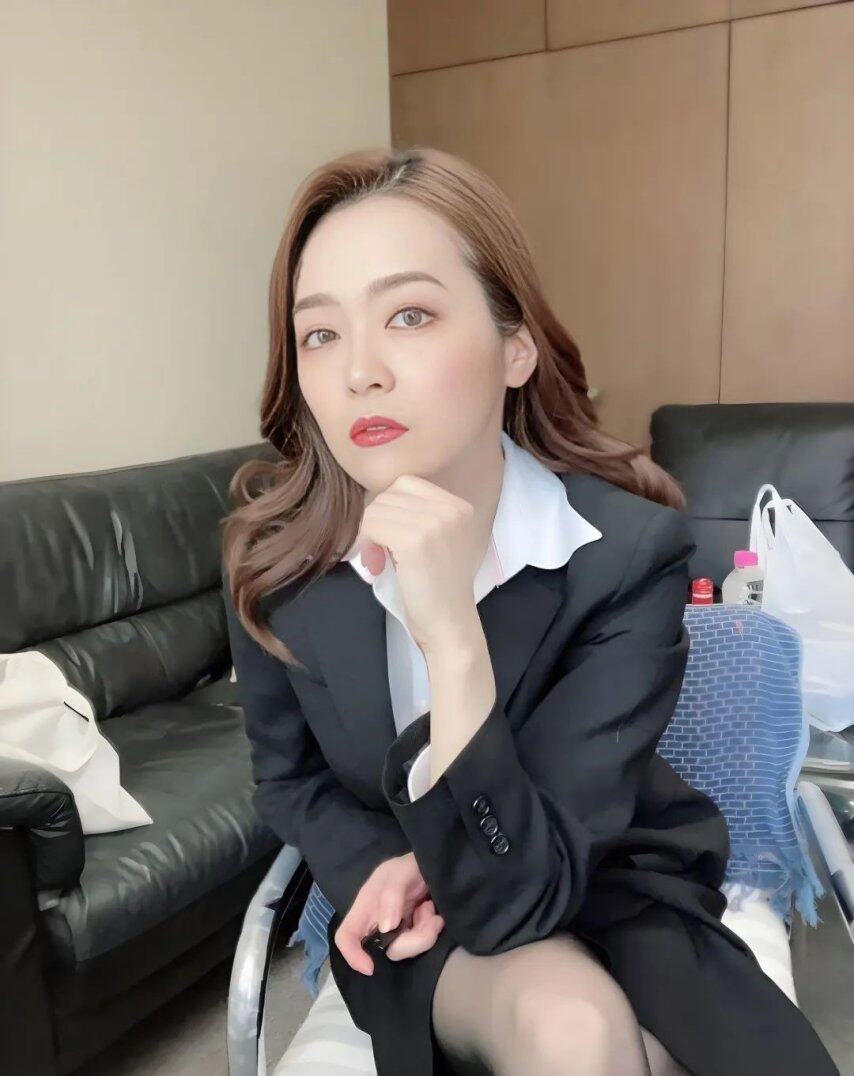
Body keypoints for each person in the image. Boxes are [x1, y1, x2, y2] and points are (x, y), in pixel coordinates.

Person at [221, 145, 839, 1075]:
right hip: (426, 922)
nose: (360, 373)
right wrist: (383, 864)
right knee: (572, 1030)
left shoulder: (623, 553)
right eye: (320, 334)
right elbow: (290, 781)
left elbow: (536, 882)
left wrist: (451, 638)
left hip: (607, 883)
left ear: (516, 347)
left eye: (410, 315)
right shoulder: (276, 563)